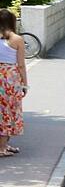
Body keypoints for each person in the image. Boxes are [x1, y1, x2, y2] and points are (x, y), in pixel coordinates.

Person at [0, 9, 27, 156]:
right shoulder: (17, 39)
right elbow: (21, 64)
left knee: (1, 109)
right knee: (8, 109)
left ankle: (4, 144)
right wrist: (24, 84)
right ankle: (2, 147)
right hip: (10, 77)